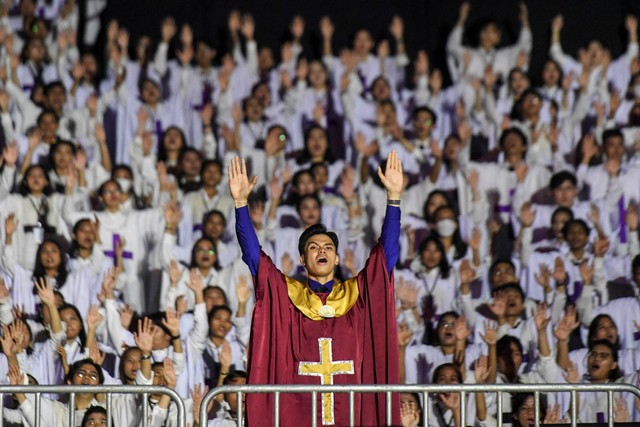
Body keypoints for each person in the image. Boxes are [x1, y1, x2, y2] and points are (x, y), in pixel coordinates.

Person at [228, 151, 403, 426]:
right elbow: (253, 256)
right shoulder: (286, 296)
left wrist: (393, 198)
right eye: (313, 247)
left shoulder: (357, 297)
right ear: (302, 259)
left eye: (328, 248)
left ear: (335, 258)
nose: (321, 251)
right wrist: (240, 204)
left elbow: (387, 256)